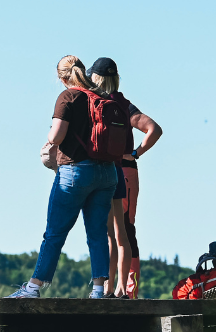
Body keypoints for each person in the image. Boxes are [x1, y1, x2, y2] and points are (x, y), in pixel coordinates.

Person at [8, 56, 120, 299]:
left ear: (61, 77)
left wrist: (48, 139)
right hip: (107, 172)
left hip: (76, 172)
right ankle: (99, 290)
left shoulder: (67, 97)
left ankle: (33, 287)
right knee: (98, 232)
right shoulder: (99, 96)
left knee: (55, 233)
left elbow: (57, 136)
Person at [85, 57, 162, 298]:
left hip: (109, 171)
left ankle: (115, 289)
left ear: (96, 79)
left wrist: (134, 152)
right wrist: (135, 153)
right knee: (122, 232)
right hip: (125, 171)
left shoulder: (98, 103)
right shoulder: (123, 105)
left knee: (115, 232)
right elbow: (153, 129)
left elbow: (155, 129)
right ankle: (122, 290)